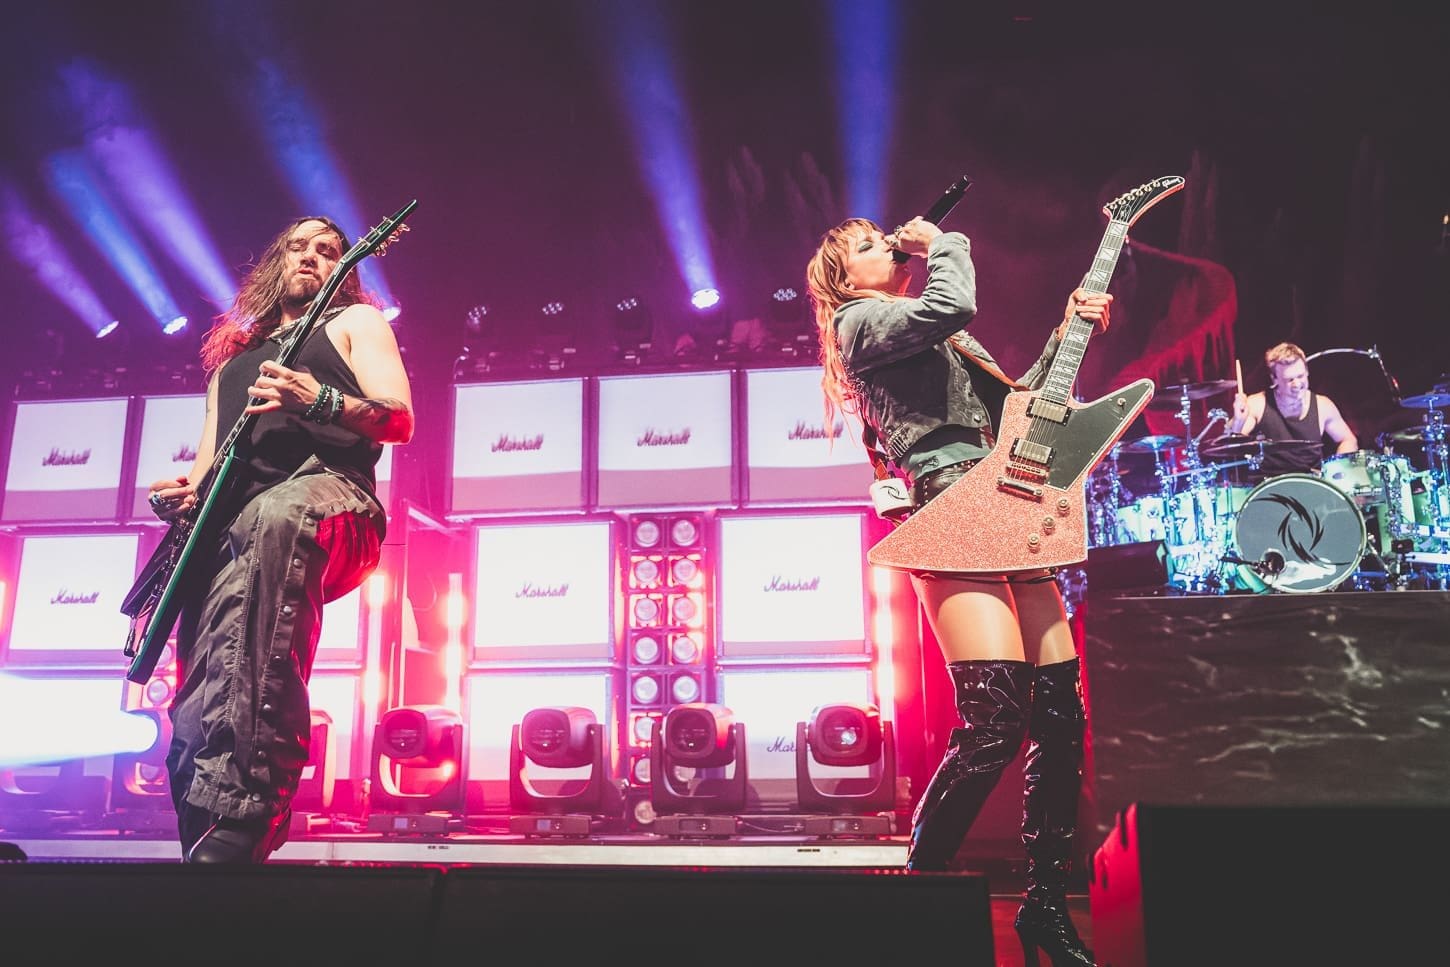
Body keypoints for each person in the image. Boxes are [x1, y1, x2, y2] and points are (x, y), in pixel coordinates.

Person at [806, 214, 1110, 966]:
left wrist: (1069, 329)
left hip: (1004, 502)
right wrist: (943, 241)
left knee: (1061, 718)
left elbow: (1019, 406)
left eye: (888, 237)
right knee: (995, 719)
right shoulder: (860, 322)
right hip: (949, 506)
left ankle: (1044, 904)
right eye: (872, 245)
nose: (891, 246)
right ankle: (917, 886)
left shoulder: (930, 335)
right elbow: (953, 301)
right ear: (846, 278)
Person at [146, 216, 414, 863]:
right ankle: (206, 842)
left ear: (343, 270)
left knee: (276, 517)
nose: (314, 256)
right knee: (195, 703)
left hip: (331, 500)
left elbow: (397, 417)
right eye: (300, 246)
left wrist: (317, 399)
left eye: (330, 250)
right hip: (238, 532)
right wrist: (179, 494)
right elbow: (209, 471)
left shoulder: (355, 325)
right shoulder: (231, 367)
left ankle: (251, 805)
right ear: (277, 262)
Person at [1228, 341, 1358, 477]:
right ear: (1274, 379)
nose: (1297, 384)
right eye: (1289, 380)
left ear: (1307, 371)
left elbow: (1348, 440)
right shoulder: (1257, 404)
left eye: (1300, 376)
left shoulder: (1323, 406)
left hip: (1313, 488)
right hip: (1271, 490)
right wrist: (1238, 421)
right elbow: (1230, 446)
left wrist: (1336, 470)